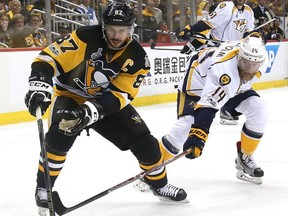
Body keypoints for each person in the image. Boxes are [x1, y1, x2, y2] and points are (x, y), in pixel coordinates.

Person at [24, 2, 188, 215]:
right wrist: (39, 84)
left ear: (131, 29)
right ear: (104, 27)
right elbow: (48, 58)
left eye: (122, 30)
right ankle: (43, 189)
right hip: (70, 96)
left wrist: (89, 112)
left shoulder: (137, 57)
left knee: (146, 143)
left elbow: (121, 95)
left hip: (106, 103)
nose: (116, 35)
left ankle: (159, 184)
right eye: (111, 29)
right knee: (59, 136)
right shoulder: (84, 37)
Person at [135, 35, 269, 191]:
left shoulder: (259, 56)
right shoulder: (224, 71)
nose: (249, 69)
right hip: (197, 87)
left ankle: (245, 156)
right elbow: (209, 105)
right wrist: (199, 134)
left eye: (254, 65)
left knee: (259, 109)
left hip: (231, 88)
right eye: (245, 63)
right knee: (185, 128)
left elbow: (252, 41)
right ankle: (152, 171)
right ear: (239, 57)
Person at [178, 0, 259, 125]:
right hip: (218, 52)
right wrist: (191, 30)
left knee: (238, 83)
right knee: (222, 82)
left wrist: (254, 37)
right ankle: (199, 110)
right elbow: (208, 24)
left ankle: (227, 110)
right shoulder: (226, 7)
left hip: (235, 53)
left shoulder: (248, 11)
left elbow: (249, 31)